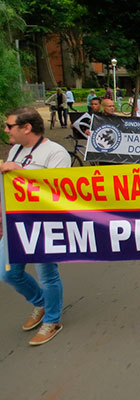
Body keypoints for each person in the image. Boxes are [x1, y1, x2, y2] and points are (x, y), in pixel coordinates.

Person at [0, 107, 72, 345]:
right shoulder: (16, 150)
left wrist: (20, 171)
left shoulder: (56, 153)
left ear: (27, 127)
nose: (6, 130)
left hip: (43, 225)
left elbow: (57, 194)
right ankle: (41, 303)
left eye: (10, 125)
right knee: (8, 273)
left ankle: (52, 320)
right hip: (15, 223)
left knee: (47, 275)